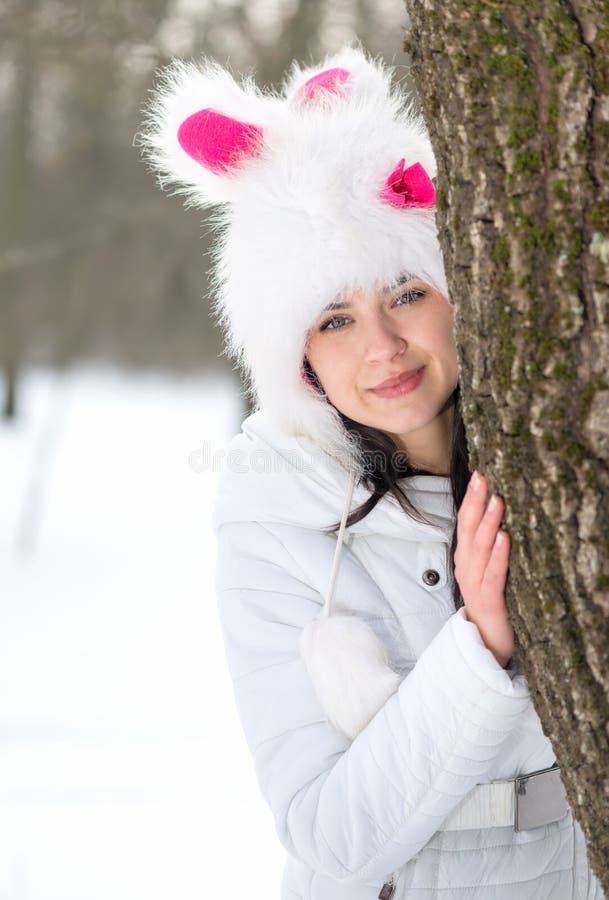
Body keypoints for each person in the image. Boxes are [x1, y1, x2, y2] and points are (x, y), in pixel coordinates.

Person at [140, 41, 604, 900]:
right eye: (334, 319)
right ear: (299, 358)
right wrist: (479, 644)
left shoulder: (570, 448)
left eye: (405, 292)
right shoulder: (273, 512)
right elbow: (329, 833)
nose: (382, 346)